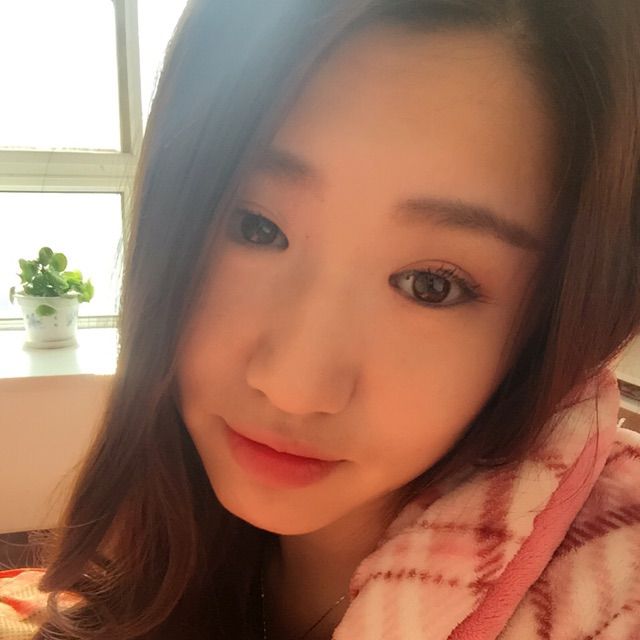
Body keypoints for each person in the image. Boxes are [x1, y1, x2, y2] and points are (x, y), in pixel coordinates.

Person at [1, 0, 639, 638]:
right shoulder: (168, 547)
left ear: (553, 322)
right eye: (257, 227)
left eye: (431, 286)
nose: (293, 386)